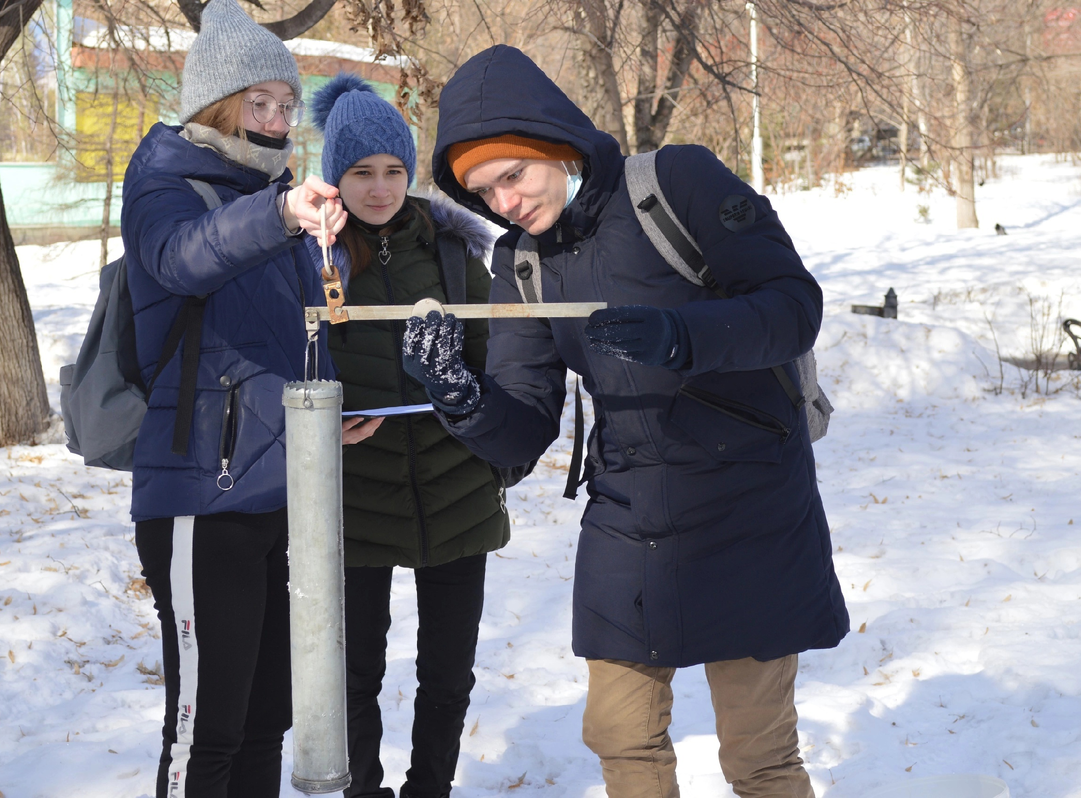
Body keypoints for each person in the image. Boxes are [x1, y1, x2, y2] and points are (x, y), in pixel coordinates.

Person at [400, 45, 849, 798]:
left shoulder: (677, 183)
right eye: (485, 192)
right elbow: (524, 418)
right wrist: (460, 397)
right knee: (621, 736)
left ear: (556, 144)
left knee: (757, 755)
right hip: (628, 512)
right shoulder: (520, 264)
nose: (504, 202)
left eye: (513, 175)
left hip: (750, 501)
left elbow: (793, 306)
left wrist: (683, 337)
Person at [119, 2, 379, 796]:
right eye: (256, 103)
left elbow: (283, 347)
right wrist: (277, 214)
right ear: (216, 105)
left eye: (284, 104)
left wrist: (319, 425)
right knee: (211, 731)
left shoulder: (282, 201)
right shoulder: (166, 182)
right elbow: (182, 260)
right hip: (204, 494)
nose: (273, 120)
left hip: (283, 496)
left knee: (270, 718)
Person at [303, 73, 509, 798]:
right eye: (361, 172)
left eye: (394, 170)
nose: (380, 188)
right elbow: (284, 373)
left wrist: (466, 403)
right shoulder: (310, 257)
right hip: (354, 502)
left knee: (448, 673)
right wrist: (320, 435)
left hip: (457, 494)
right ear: (335, 176)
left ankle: (431, 789)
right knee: (355, 671)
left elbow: (503, 373)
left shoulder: (454, 252)